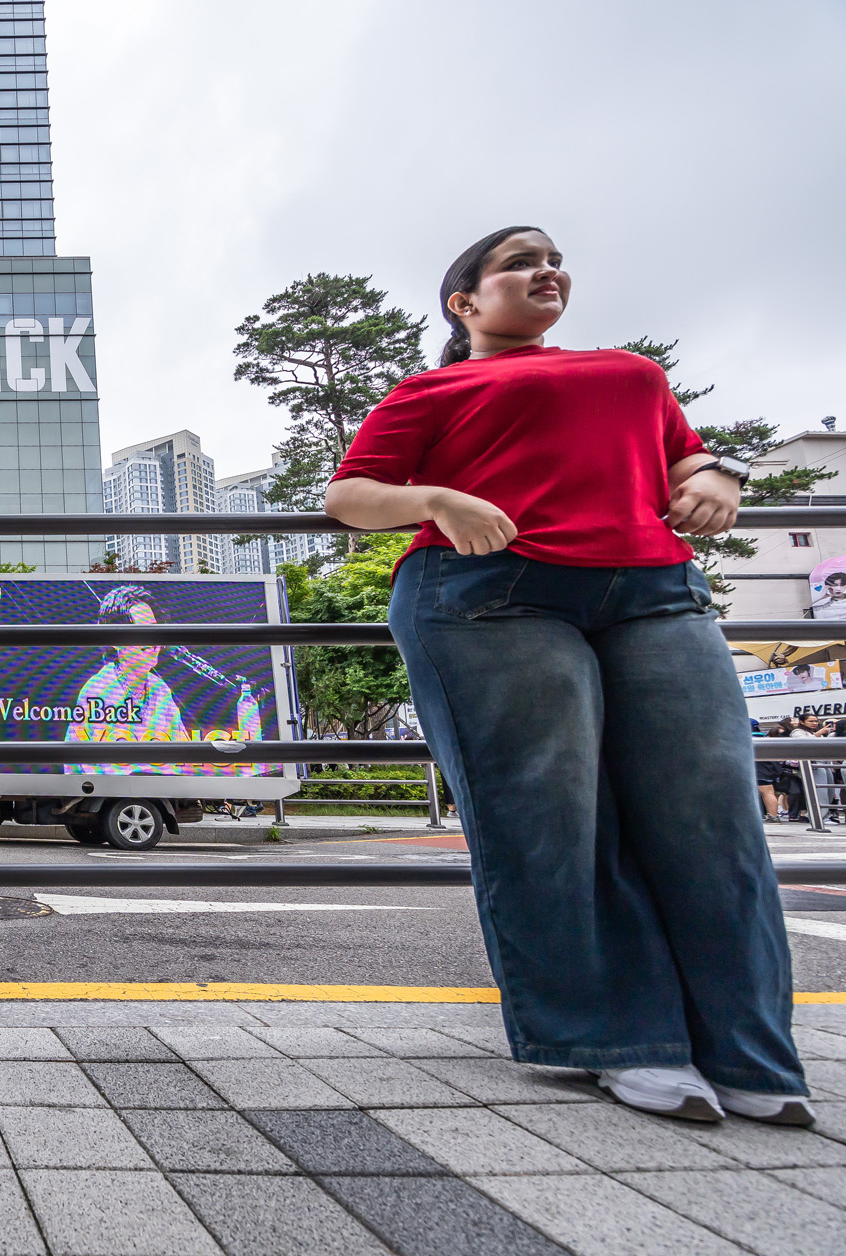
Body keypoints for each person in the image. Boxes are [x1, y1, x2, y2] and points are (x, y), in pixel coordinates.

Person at [325, 226, 810, 1125]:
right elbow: (350, 495)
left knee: (713, 813)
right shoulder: (431, 388)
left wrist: (721, 474)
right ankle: (619, 1041)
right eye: (519, 262)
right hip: (488, 592)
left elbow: (687, 458)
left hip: (656, 590)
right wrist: (436, 499)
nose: (546, 270)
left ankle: (751, 1052)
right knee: (548, 816)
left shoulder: (632, 373)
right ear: (464, 303)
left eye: (553, 260)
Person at [65, 584, 263, 775]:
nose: (152, 640)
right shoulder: (99, 691)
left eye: (153, 629)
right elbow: (98, 771)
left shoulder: (159, 689)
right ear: (115, 641)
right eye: (140, 631)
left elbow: (183, 755)